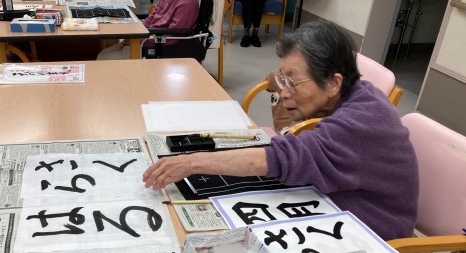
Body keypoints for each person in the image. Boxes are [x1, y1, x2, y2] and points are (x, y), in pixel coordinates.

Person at [143, 20, 419, 241]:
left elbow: (281, 158)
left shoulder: (359, 123)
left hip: (372, 230)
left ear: (334, 82)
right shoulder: (356, 91)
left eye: (293, 82)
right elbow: (294, 145)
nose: (284, 92)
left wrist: (191, 163)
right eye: (283, 78)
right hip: (334, 200)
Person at [97, 0, 200, 60]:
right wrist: (134, 33)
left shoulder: (187, 4)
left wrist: (139, 40)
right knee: (103, 53)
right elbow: (150, 19)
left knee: (104, 58)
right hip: (147, 38)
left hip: (159, 47)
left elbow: (172, 39)